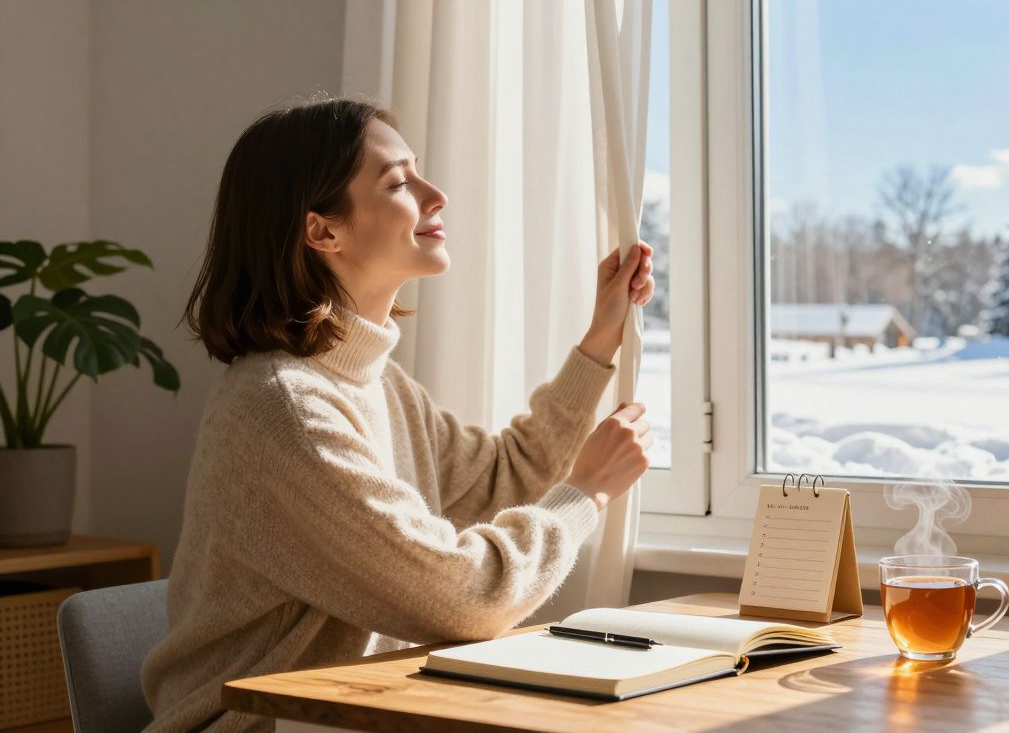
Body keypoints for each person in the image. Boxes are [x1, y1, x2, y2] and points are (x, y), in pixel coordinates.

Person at [142, 97, 655, 732]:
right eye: (398, 182)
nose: (435, 194)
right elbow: (465, 599)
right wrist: (586, 494)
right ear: (323, 231)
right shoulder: (283, 409)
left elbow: (504, 477)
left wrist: (601, 336)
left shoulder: (378, 384)